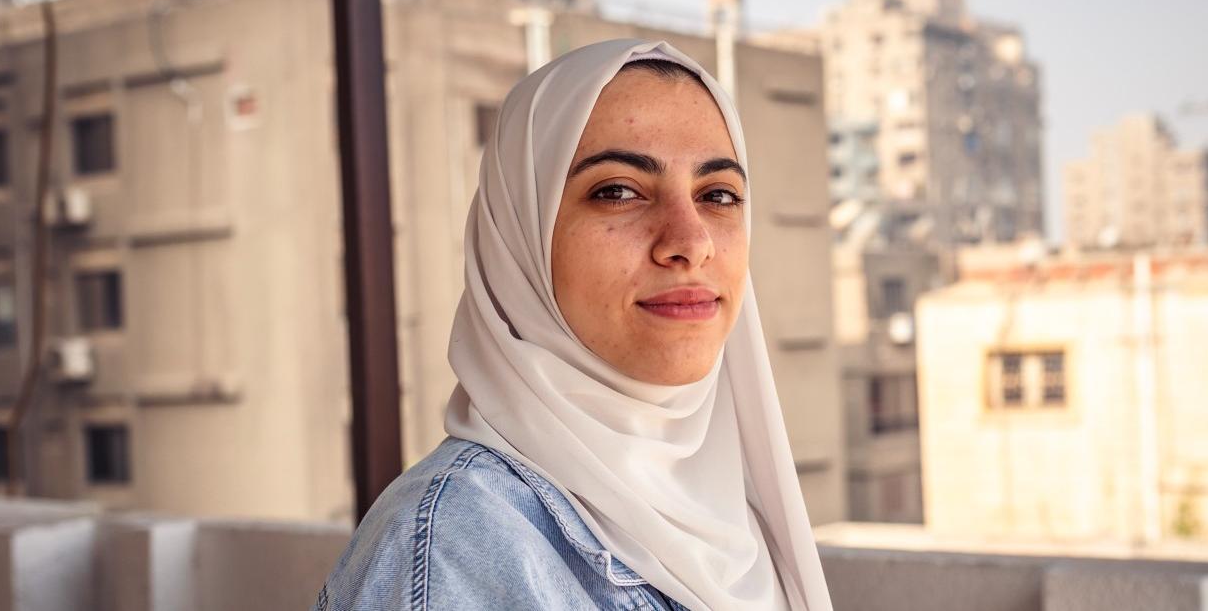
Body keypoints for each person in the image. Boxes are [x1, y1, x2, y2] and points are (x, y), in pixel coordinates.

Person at [315, 38, 833, 611]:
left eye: (718, 194)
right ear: (520, 235)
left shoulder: (738, 517)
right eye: (617, 191)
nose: (690, 242)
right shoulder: (459, 547)